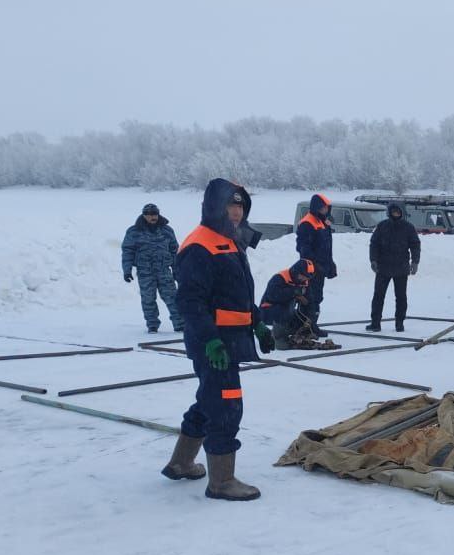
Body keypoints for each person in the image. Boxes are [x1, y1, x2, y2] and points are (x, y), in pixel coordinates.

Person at [162, 178, 275, 501]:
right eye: (230, 205)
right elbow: (191, 303)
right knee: (226, 406)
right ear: (214, 207)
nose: (236, 212)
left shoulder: (229, 240)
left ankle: (181, 463)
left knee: (209, 400)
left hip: (231, 341)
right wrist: (211, 341)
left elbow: (236, 295)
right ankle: (221, 482)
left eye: (240, 205)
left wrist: (257, 325)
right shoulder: (200, 245)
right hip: (213, 344)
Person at [121, 203, 183, 333]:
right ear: (144, 216)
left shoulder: (167, 230)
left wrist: (177, 270)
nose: (153, 217)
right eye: (149, 215)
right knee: (148, 299)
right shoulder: (134, 231)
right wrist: (127, 270)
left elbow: (174, 250)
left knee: (172, 297)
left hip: (164, 271)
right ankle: (152, 325)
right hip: (145, 272)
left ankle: (180, 324)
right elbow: (128, 250)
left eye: (155, 214)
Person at [367, 202, 421, 332]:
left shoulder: (408, 227)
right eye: (393, 211)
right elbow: (374, 244)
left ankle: (399, 323)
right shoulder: (382, 226)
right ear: (389, 212)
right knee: (378, 296)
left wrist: (415, 262)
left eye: (398, 211)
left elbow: (415, 245)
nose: (396, 214)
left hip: (401, 268)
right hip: (383, 267)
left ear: (402, 213)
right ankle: (375, 323)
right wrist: (373, 260)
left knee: (401, 297)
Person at [296, 194, 337, 336]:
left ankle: (311, 325)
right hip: (309, 269)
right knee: (308, 298)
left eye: (327, 208)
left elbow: (327, 247)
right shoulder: (308, 223)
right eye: (323, 208)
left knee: (317, 297)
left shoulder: (322, 223)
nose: (326, 210)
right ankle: (304, 326)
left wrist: (330, 264)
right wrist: (314, 264)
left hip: (321, 268)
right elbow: (303, 248)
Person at [259, 258, 315, 350]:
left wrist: (310, 320)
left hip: (288, 311)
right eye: (303, 276)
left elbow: (310, 302)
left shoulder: (304, 283)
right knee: (285, 307)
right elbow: (272, 296)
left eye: (307, 277)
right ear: (297, 272)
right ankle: (278, 338)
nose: (304, 279)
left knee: (301, 317)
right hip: (268, 310)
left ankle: (296, 335)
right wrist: (294, 292)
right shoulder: (279, 278)